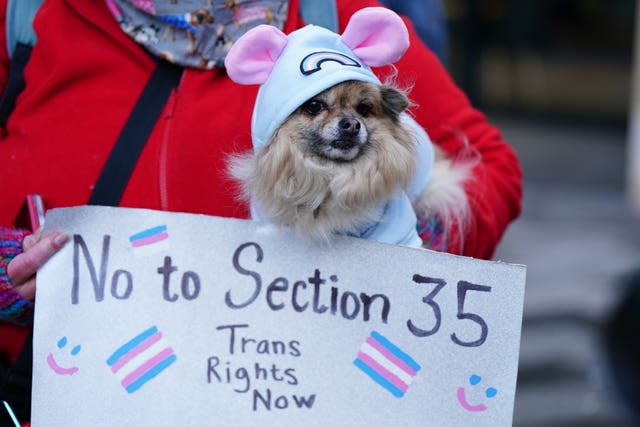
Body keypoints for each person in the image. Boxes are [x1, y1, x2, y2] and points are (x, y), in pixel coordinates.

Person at [0, 0, 522, 421]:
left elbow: (493, 171)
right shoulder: (26, 16)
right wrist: (6, 271)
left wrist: (392, 253)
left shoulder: (336, 24)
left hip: (294, 396)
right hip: (59, 392)